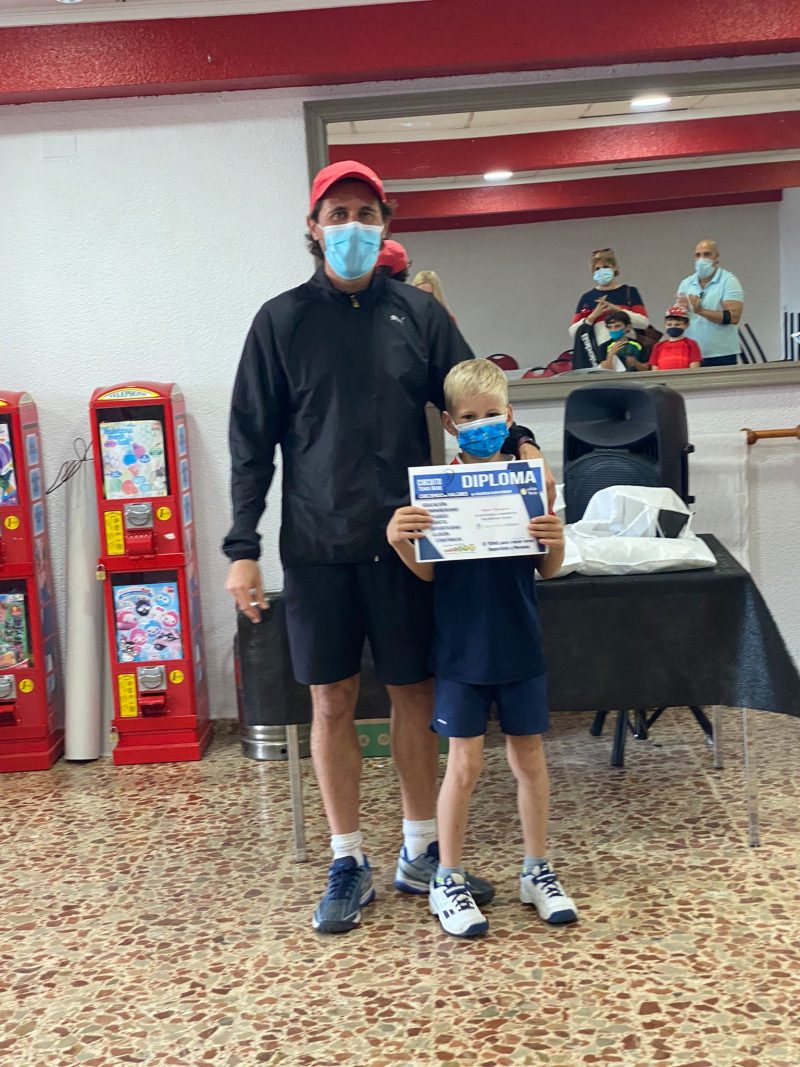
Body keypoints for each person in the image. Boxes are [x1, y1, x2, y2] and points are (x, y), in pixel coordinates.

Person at [223, 159, 553, 935]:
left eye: (366, 214)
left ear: (386, 224)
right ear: (313, 227)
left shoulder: (419, 316)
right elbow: (250, 442)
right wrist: (242, 545)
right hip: (318, 545)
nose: (352, 227)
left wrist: (527, 448)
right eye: (338, 214)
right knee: (331, 700)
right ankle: (347, 859)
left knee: (414, 693)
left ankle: (419, 849)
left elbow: (477, 397)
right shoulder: (279, 322)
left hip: (411, 544)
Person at [387, 359, 577, 938]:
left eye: (491, 414)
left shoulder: (530, 486)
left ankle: (536, 869)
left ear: (510, 416)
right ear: (450, 424)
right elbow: (426, 573)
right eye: (468, 417)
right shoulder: (435, 491)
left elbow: (548, 568)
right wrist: (399, 541)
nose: (481, 425)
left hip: (520, 647)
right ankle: (447, 878)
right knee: (463, 766)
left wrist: (555, 538)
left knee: (530, 762)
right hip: (460, 654)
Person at [676, 239, 744, 368]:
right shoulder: (686, 283)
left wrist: (701, 311)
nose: (701, 259)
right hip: (692, 354)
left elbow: (734, 317)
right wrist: (679, 311)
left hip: (722, 354)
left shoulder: (728, 281)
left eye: (707, 254)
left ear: (716, 256)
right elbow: (679, 320)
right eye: (698, 255)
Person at [569, 248, 651, 349]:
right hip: (598, 352)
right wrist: (593, 316)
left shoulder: (629, 292)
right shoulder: (587, 298)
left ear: (615, 268)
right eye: (597, 269)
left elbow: (644, 323)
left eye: (605, 267)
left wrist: (617, 310)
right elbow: (573, 332)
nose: (601, 271)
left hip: (627, 350)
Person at [645, 307, 702, 372]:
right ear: (665, 325)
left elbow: (694, 368)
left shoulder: (691, 344)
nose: (673, 327)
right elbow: (654, 370)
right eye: (669, 324)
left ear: (686, 325)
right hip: (664, 377)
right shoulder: (658, 346)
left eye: (677, 324)